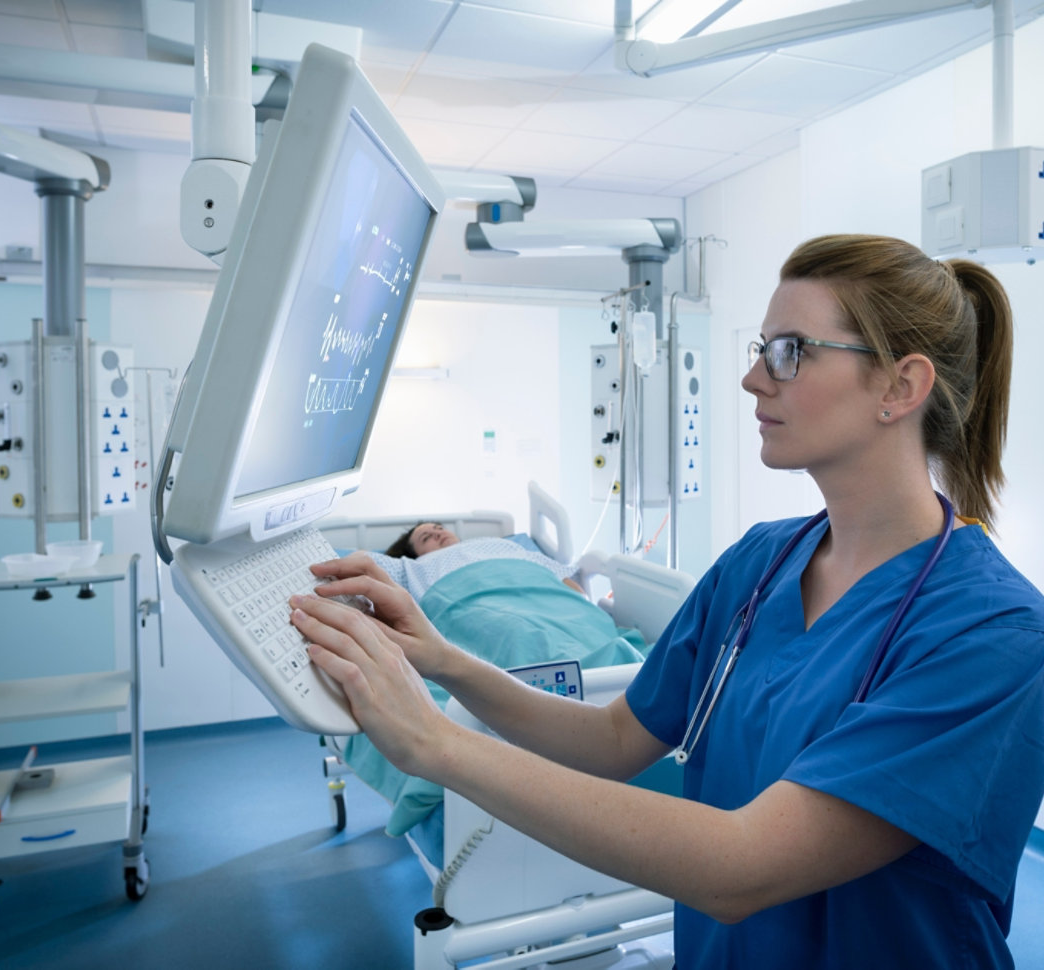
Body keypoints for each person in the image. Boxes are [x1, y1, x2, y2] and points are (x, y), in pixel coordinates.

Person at [289, 234, 1044, 969]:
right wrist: (443, 660)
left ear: (900, 388)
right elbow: (616, 740)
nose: (753, 380)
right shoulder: (761, 561)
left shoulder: (992, 634)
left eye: (790, 352)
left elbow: (741, 867)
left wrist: (436, 744)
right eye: (760, 348)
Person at [376, 520, 587, 596]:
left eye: (439, 528)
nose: (438, 533)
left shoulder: (498, 544)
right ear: (416, 555)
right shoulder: (415, 569)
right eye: (427, 537)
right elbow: (372, 567)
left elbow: (558, 577)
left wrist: (578, 604)